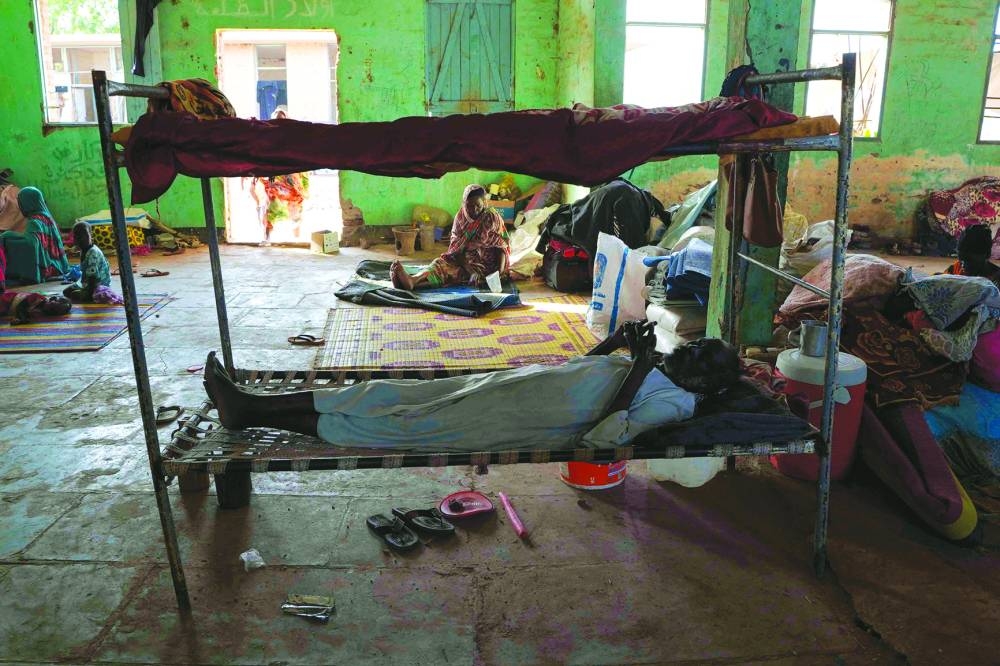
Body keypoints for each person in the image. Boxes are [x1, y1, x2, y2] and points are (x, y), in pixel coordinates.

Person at [202, 322, 742, 452]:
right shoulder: (660, 373)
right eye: (696, 344)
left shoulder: (673, 402)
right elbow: (581, 366)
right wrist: (616, 345)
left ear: (707, 383)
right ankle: (248, 405)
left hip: (513, 420)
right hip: (507, 384)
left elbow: (604, 439)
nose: (687, 350)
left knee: (396, 425)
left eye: (699, 356)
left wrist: (641, 368)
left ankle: (249, 414)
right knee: (383, 394)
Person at [390, 184, 510, 290]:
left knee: (455, 274)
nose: (474, 210)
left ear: (484, 202)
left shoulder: (492, 218)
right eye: (469, 206)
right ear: (464, 204)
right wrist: (471, 271)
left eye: (478, 206)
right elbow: (456, 251)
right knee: (440, 264)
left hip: (489, 264)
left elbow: (502, 246)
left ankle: (411, 284)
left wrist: (499, 273)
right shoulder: (460, 219)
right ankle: (413, 280)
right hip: (464, 260)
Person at [0, 186, 70, 282]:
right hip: (58, 265)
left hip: (46, 268)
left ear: (29, 203)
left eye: (21, 203)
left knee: (7, 242)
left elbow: (31, 243)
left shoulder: (35, 221)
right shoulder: (48, 218)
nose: (20, 207)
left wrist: (8, 235)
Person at [63, 222, 121, 304]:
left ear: (91, 235)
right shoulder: (84, 250)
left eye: (84, 235)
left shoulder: (93, 253)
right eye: (77, 236)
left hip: (98, 286)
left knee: (73, 294)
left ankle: (92, 296)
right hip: (88, 283)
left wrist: (88, 293)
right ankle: (86, 293)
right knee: (66, 291)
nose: (81, 238)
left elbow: (94, 279)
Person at [0, 292, 72, 325]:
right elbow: (21, 307)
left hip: (9, 309)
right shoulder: (37, 297)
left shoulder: (40, 313)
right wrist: (22, 319)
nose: (49, 311)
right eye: (52, 307)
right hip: (9, 299)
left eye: (53, 311)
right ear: (52, 299)